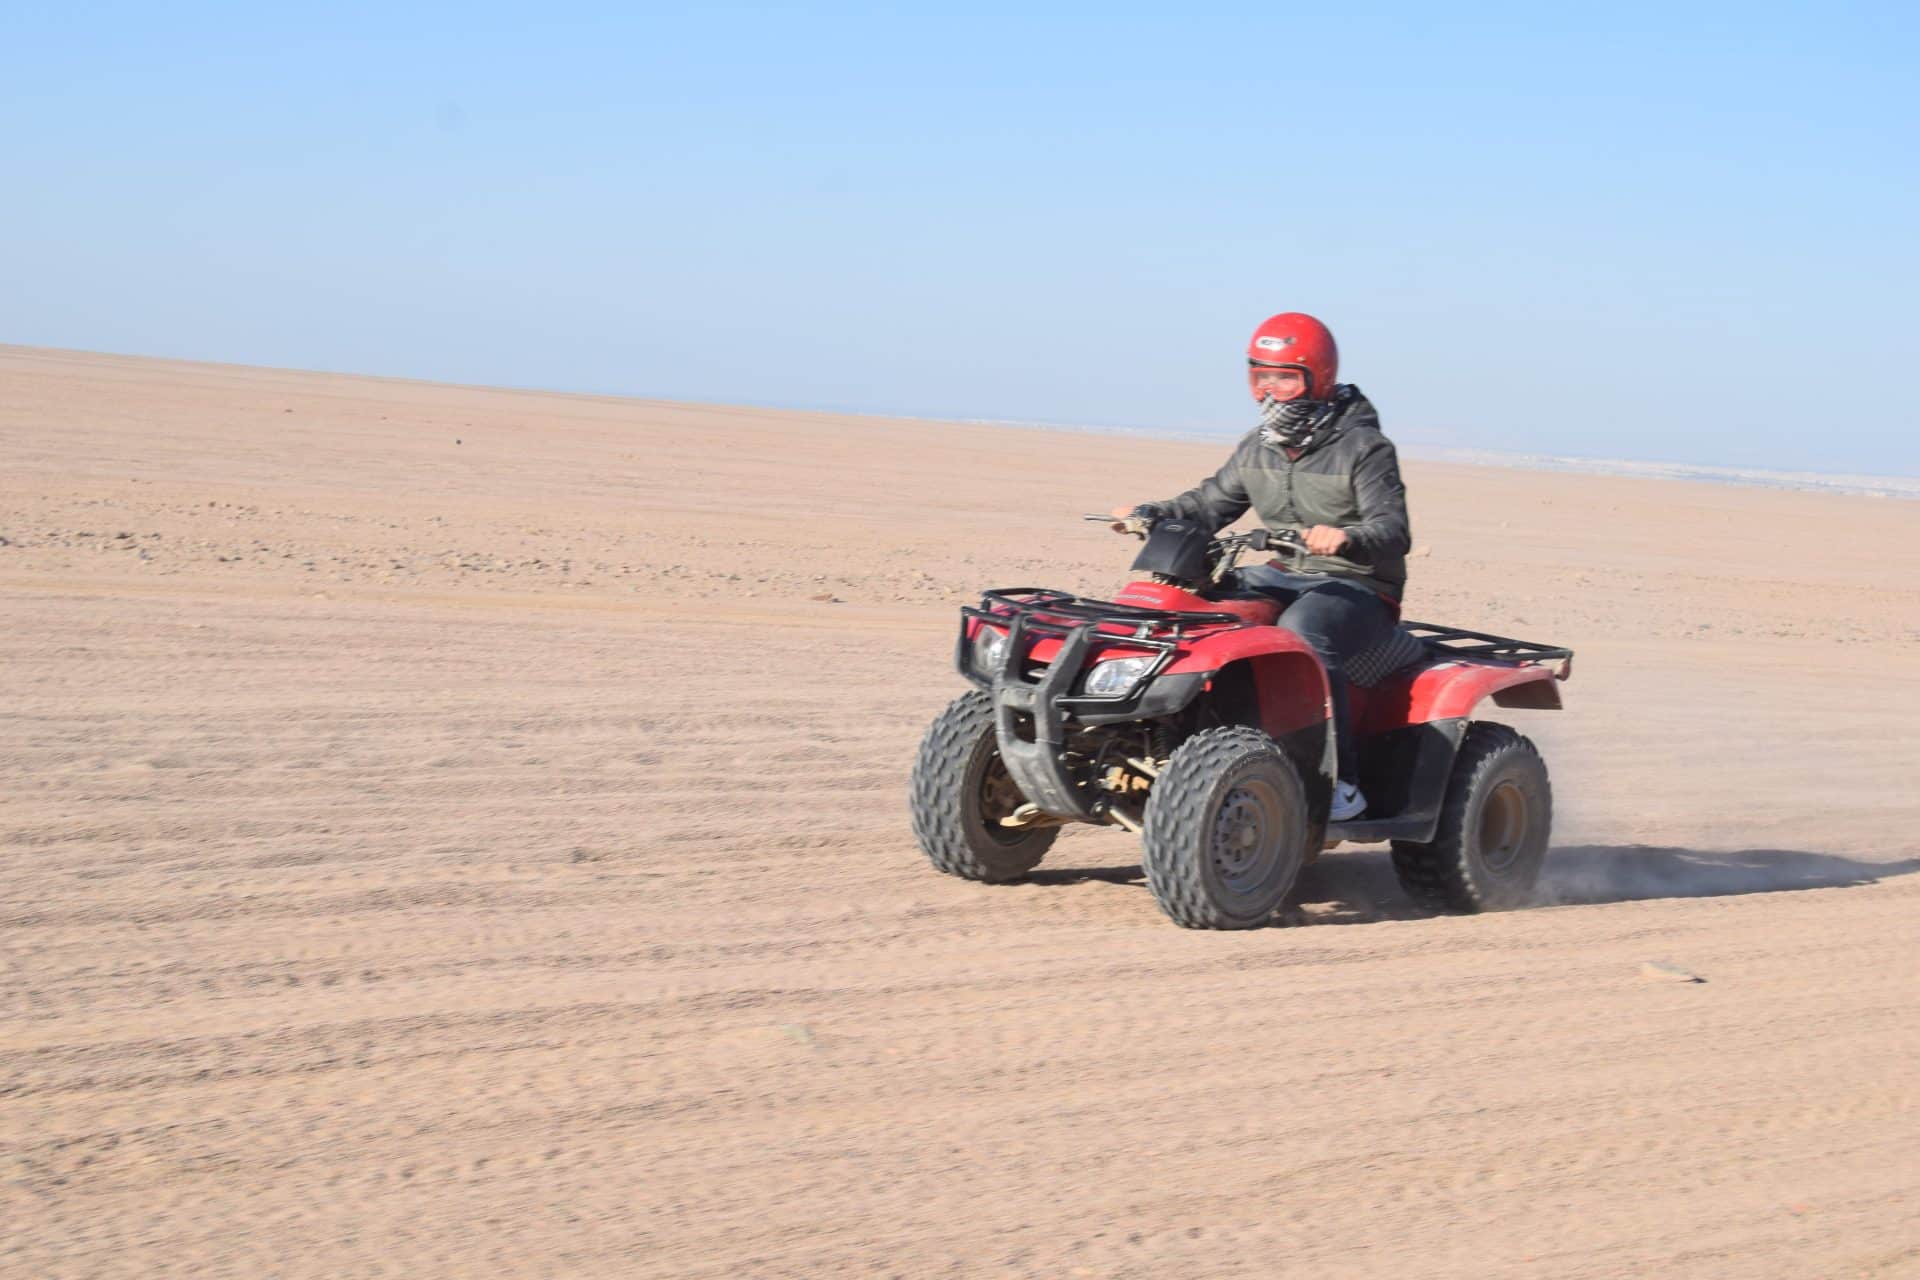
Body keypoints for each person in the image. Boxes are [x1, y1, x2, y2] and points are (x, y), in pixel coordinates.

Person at [1110, 312, 1411, 821]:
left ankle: (1340, 782)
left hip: (1357, 583)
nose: (1270, 390)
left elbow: (1393, 529)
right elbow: (1208, 504)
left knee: (1304, 632)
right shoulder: (1258, 446)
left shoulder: (1364, 448)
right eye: (1260, 377)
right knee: (1196, 612)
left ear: (1319, 377)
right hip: (1282, 572)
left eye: (1285, 378)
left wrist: (1347, 537)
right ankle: (1177, 739)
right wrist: (1151, 513)